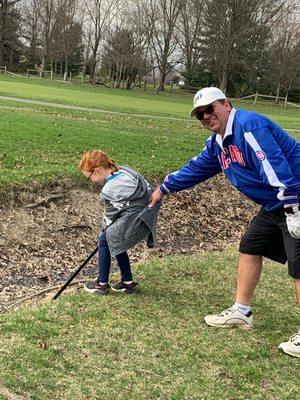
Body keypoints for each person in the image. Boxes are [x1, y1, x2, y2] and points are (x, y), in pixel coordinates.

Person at [148, 86, 300, 358]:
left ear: (226, 104)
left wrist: (293, 207)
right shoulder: (219, 143)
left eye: (210, 109)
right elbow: (196, 169)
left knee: (299, 266)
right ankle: (242, 312)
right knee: (250, 246)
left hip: (294, 197)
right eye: (200, 114)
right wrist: (163, 188)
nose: (206, 116)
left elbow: (276, 168)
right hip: (275, 204)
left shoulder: (249, 126)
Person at [79, 150, 160, 295]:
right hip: (143, 212)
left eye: (89, 177)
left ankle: (101, 284)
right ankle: (127, 283)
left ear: (98, 170)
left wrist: (102, 232)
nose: (91, 180)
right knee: (115, 236)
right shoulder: (124, 171)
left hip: (139, 217)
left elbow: (109, 216)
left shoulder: (111, 188)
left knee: (105, 238)